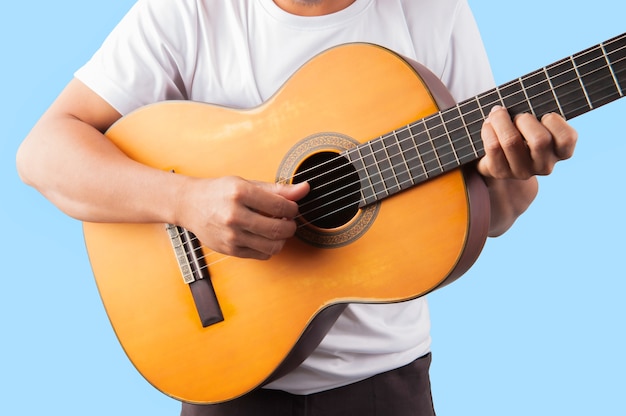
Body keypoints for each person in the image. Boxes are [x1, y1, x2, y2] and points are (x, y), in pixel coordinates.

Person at [16, 0, 577, 415]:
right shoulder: (188, 11)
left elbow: (491, 213)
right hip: (225, 374)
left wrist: (513, 175)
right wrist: (185, 201)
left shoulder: (430, 10)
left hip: (386, 384)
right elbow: (43, 153)